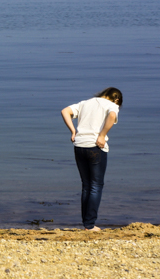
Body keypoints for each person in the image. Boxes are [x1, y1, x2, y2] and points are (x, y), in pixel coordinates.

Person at [61, 87, 123, 231]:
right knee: (96, 186)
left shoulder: (85, 103)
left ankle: (87, 223)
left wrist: (73, 131)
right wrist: (102, 135)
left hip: (79, 146)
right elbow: (112, 116)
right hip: (95, 147)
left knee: (86, 185)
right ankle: (89, 225)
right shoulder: (111, 105)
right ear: (117, 99)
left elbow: (65, 111)